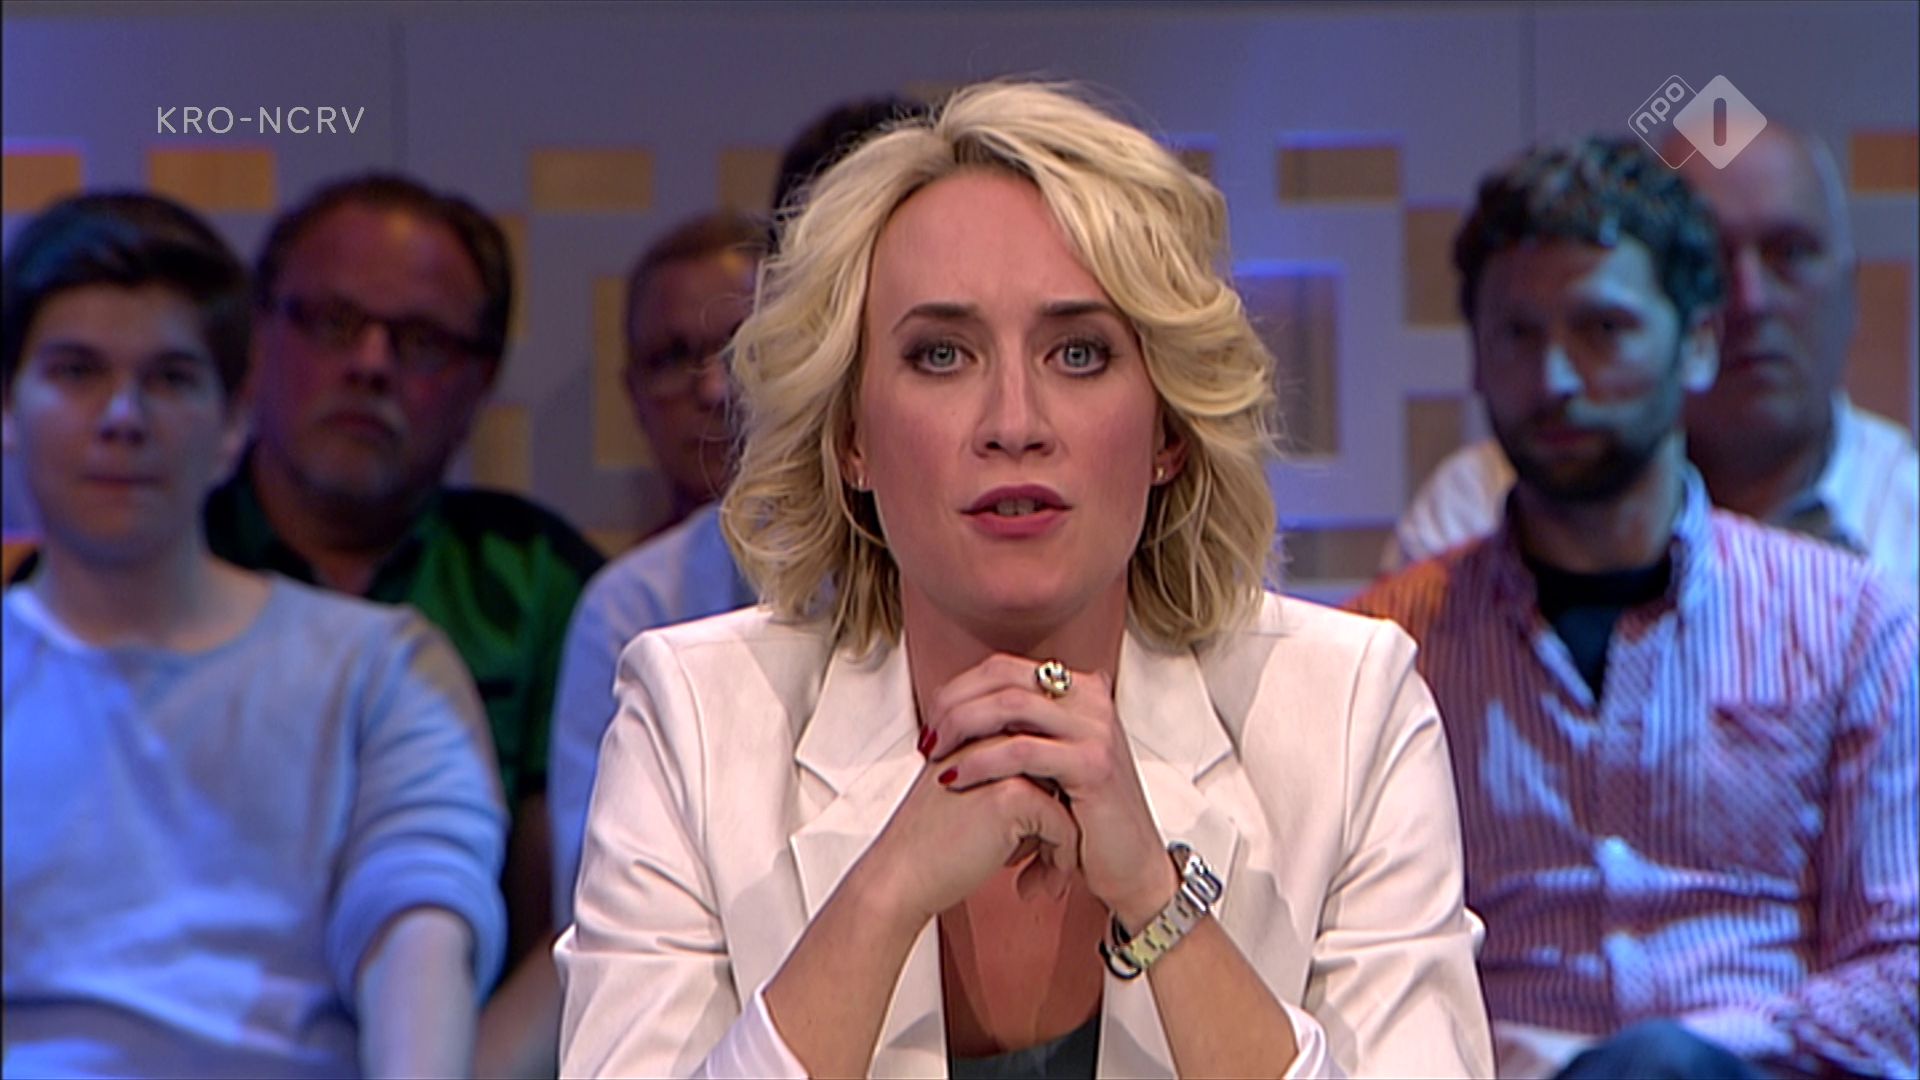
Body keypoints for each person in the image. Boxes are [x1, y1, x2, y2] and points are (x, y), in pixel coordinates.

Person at [557, 80, 1493, 1078]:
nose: (1014, 422)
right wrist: (884, 894)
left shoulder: (1348, 715)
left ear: (1169, 431)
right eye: (941, 355)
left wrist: (1156, 895)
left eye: (1079, 353)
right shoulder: (694, 723)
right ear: (852, 438)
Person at [1349, 138, 1918, 1078]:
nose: (1556, 380)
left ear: (1698, 343)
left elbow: (1905, 971)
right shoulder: (1391, 645)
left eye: (1602, 329)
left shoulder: (1851, 622)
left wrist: (1692, 1057)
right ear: (1476, 357)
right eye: (1517, 335)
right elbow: (1351, 971)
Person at [1, 192, 507, 1078]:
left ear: (235, 419)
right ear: (9, 409)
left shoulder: (379, 668)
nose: (123, 417)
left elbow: (420, 925)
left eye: (170, 378)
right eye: (77, 372)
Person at [199, 172, 604, 1074]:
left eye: (419, 341)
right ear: (258, 337)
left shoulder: (538, 582)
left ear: (481, 379)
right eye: (333, 322)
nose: (371, 364)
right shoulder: (152, 564)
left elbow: (585, 912)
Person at [1386, 124, 1919, 607]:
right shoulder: (1473, 511)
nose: (1749, 300)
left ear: (1851, 289)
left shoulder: (1902, 527)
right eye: (1710, 259)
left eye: (1791, 254)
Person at [546, 210, 766, 926]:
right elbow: (593, 897)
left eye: (744, 348)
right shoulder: (625, 606)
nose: (715, 390)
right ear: (633, 395)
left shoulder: (904, 572)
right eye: (675, 358)